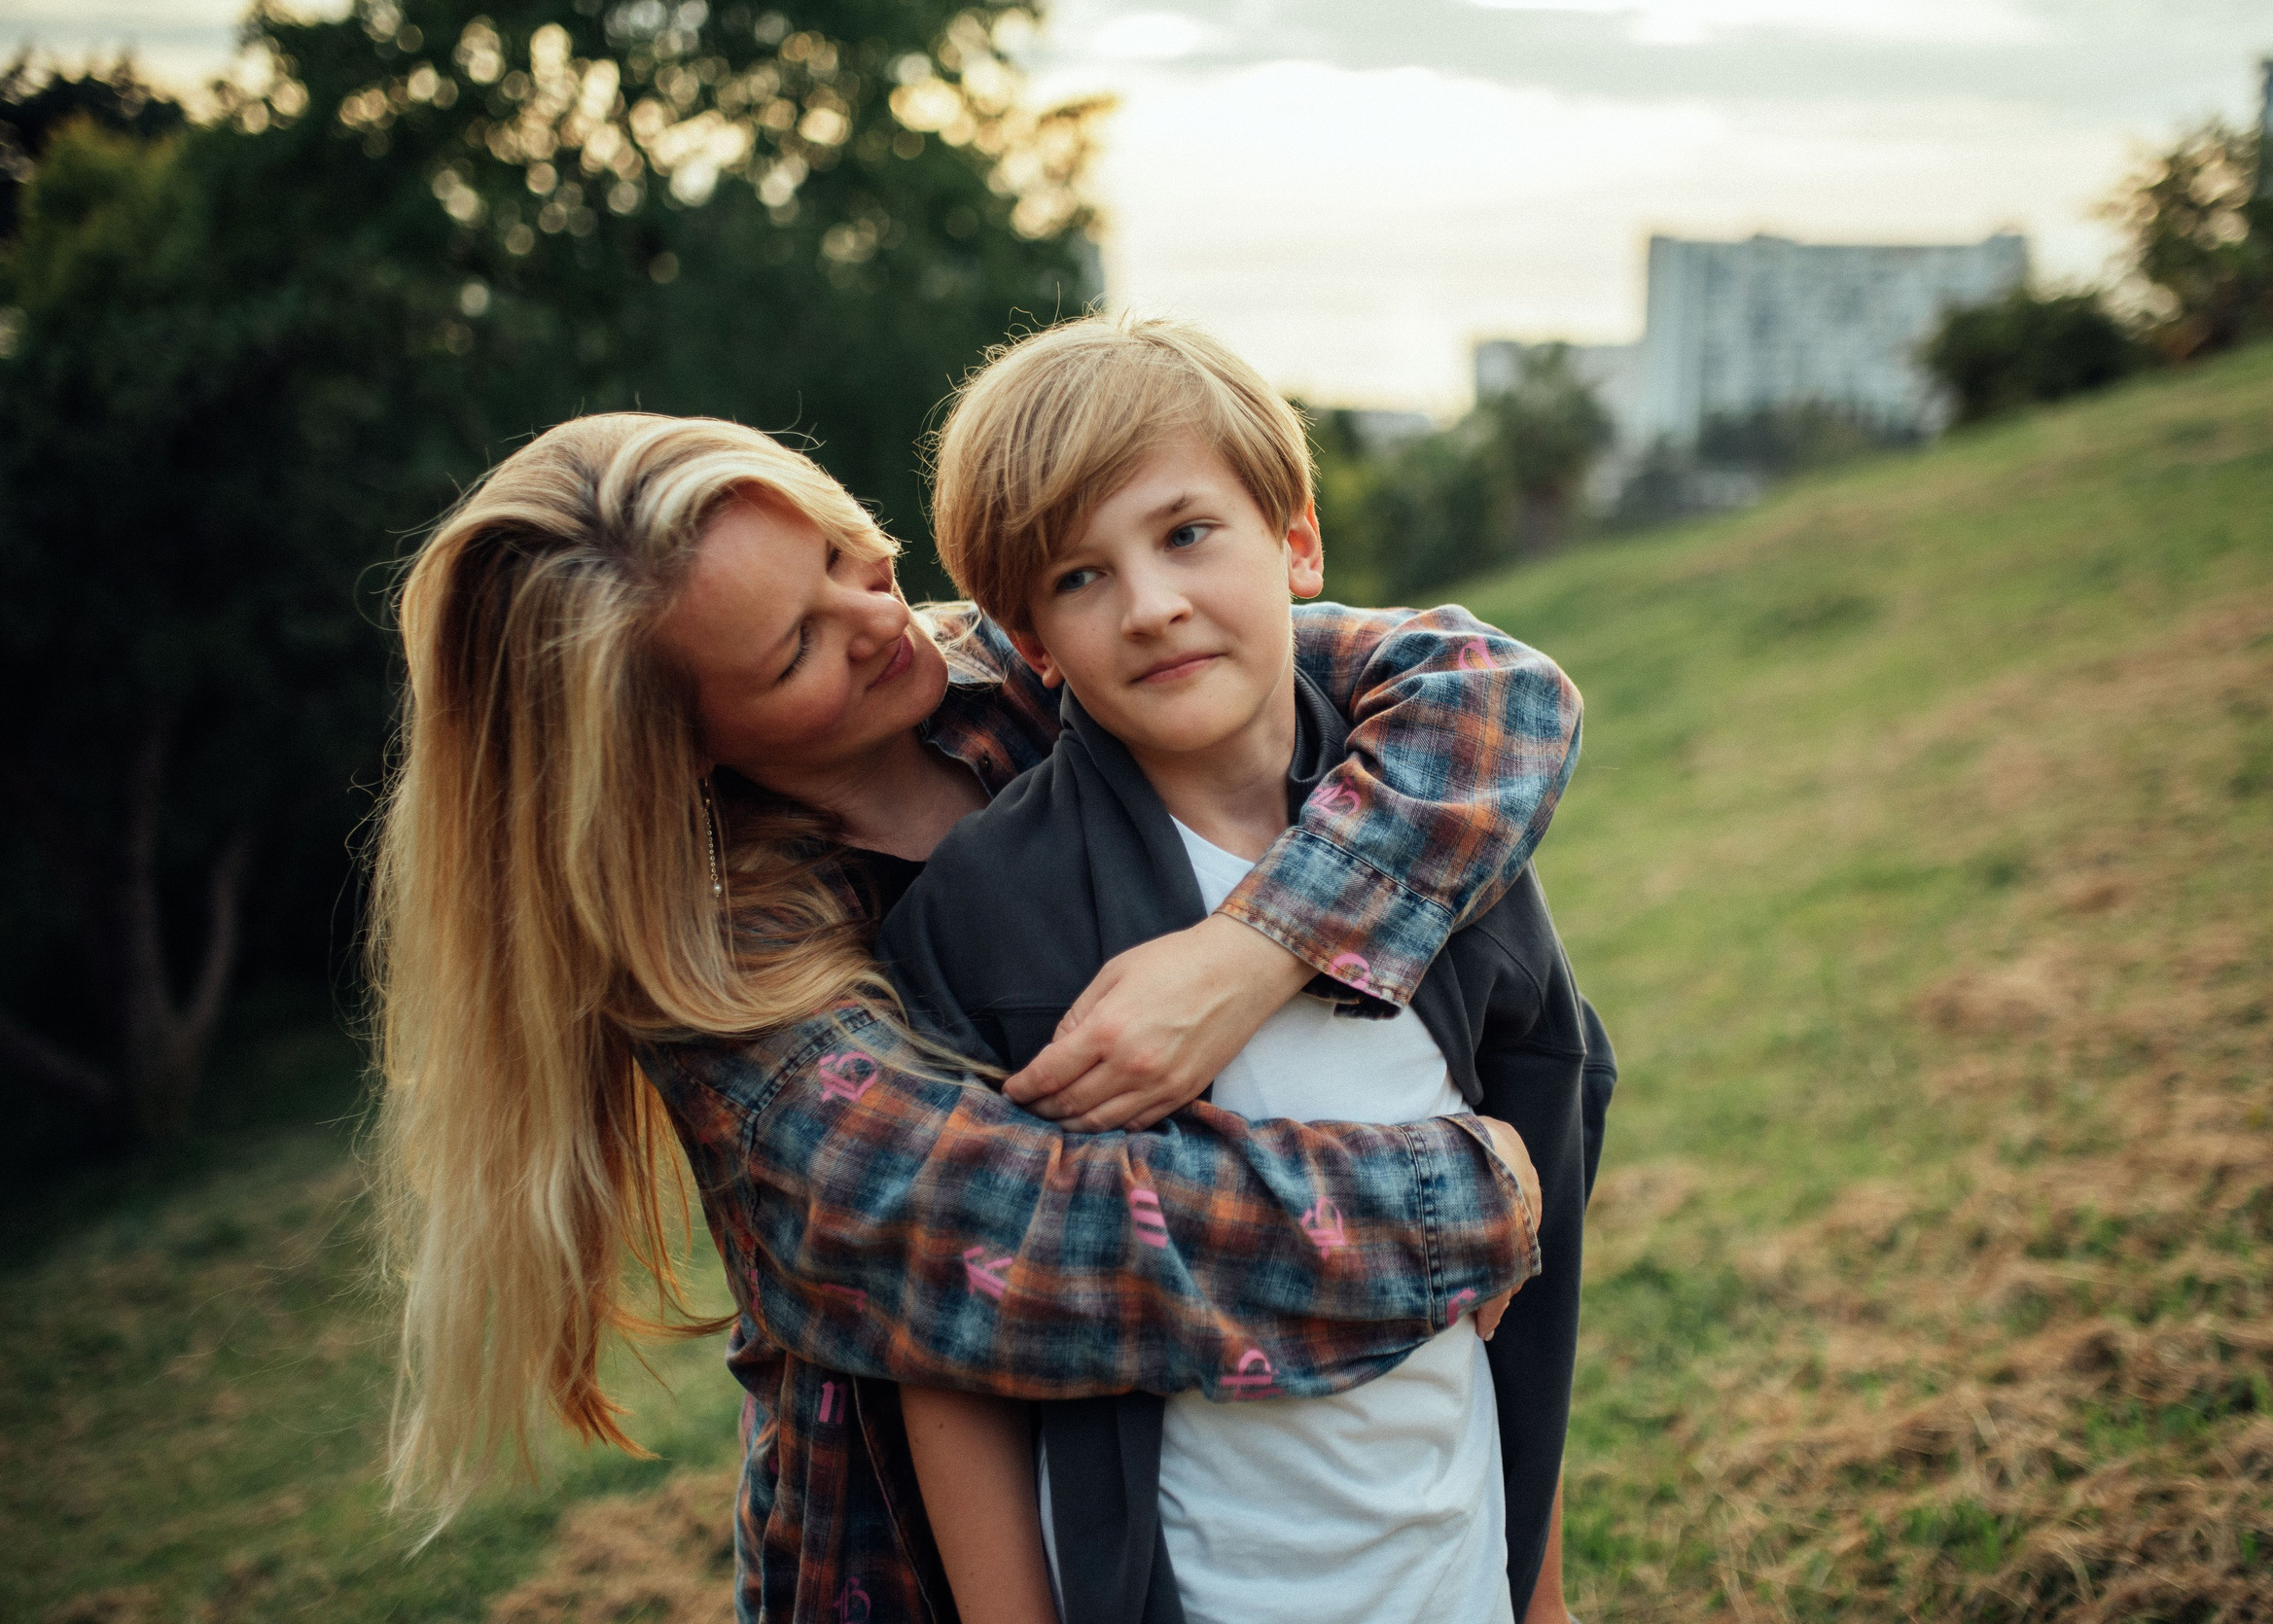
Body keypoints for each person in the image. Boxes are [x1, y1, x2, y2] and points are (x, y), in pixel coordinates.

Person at [367, 406, 1587, 1623]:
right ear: (667, 747)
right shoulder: (730, 980)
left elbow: (1488, 695)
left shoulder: (1020, 665)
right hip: (915, 1561)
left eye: (850, 553)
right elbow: (1044, 1238)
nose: (884, 620)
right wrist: (1463, 1200)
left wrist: (1254, 945)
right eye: (797, 645)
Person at [878, 316, 1612, 1624]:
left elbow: (1530, 1270)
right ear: (1033, 641)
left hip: (1449, 1571)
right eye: (1078, 577)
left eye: (1185, 534)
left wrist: (1535, 1600)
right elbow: (950, 1333)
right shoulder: (986, 918)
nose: (1151, 603)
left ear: (1297, 541)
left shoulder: (1452, 862)